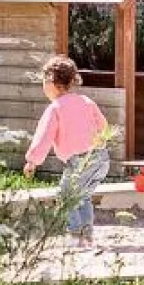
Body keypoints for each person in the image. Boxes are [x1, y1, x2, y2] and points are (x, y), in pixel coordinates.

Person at [23, 56, 111, 247]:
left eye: (44, 81)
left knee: (66, 196)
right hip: (100, 157)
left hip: (79, 161)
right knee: (82, 196)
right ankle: (87, 235)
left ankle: (74, 234)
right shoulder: (86, 101)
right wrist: (99, 142)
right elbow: (104, 127)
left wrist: (32, 161)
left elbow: (43, 137)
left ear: (51, 82)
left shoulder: (55, 108)